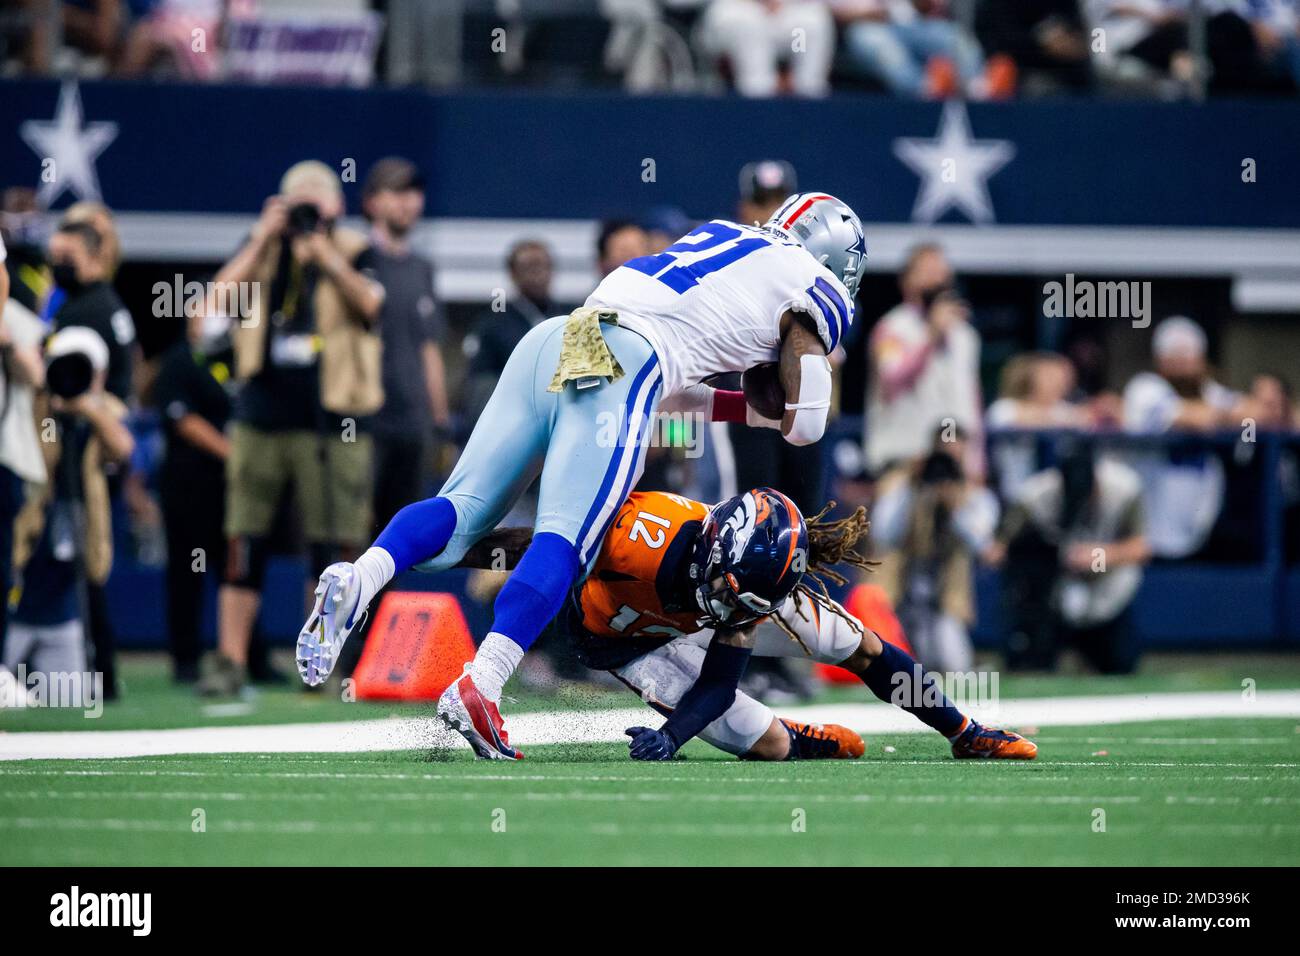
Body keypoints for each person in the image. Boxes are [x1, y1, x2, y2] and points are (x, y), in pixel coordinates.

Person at [297, 191, 867, 761]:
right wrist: (788, 406)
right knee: (567, 539)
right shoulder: (811, 283)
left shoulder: (729, 237)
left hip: (560, 339)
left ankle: (361, 576)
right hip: (626, 361)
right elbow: (808, 426)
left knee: (462, 509)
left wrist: (744, 407)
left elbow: (662, 372)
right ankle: (482, 685)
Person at [461, 487, 1036, 761]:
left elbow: (719, 677)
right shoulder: (637, 539)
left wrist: (672, 734)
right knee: (768, 744)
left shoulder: (747, 587)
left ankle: (966, 731)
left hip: (697, 598)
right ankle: (804, 739)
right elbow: (537, 547)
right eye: (732, 596)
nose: (732, 614)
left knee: (855, 643)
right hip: (624, 638)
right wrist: (452, 549)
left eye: (750, 605)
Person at [202, 160, 384, 696]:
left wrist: (323, 252)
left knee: (333, 543)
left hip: (335, 417)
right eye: (296, 205)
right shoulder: (262, 249)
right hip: (262, 413)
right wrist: (262, 238)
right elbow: (207, 313)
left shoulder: (354, 249)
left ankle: (320, 665)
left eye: (316, 205)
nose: (306, 215)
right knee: (244, 538)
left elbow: (372, 304)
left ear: (337, 208)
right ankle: (230, 662)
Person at [6, 327, 133, 682]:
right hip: (34, 528)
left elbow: (123, 447)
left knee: (72, 692)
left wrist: (84, 406)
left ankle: (101, 673)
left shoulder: (103, 409)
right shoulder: (34, 405)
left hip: (79, 536)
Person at [986, 437, 1150, 673]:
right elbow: (999, 548)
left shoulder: (1124, 488)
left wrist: (1099, 556)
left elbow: (1142, 547)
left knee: (1121, 663)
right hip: (1056, 586)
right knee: (1033, 662)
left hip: (1106, 584)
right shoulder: (1036, 495)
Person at [359, 157, 450, 536]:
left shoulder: (422, 268)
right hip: (364, 425)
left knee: (401, 538)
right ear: (372, 203)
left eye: (414, 193)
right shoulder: (355, 260)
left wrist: (441, 424)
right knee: (355, 536)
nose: (408, 202)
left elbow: (429, 348)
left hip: (413, 427)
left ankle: (382, 601)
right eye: (397, 192)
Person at [871, 425, 999, 673]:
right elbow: (883, 534)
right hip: (900, 600)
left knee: (953, 665)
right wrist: (912, 487)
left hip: (945, 603)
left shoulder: (977, 496)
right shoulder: (904, 486)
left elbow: (983, 546)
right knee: (891, 668)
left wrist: (955, 508)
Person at [1121, 316, 1248, 560]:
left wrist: (1234, 414)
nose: (1183, 365)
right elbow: (1195, 419)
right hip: (1148, 529)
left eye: (1188, 356)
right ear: (1160, 360)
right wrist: (1225, 415)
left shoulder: (1212, 392)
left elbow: (1253, 415)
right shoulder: (1145, 388)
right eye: (1175, 356)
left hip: (1201, 527)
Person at [153, 306, 233, 683]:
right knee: (187, 572)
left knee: (236, 569)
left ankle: (246, 654)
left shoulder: (232, 358)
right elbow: (182, 419)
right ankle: (185, 657)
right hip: (187, 485)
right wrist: (233, 453)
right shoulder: (177, 362)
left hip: (229, 490)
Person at [866, 242, 983, 479]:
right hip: (904, 459)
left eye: (941, 273)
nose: (936, 281)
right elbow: (892, 378)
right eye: (927, 273)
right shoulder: (892, 328)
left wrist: (977, 461)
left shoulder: (964, 335)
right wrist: (931, 335)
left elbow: (970, 400)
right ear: (906, 281)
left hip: (956, 463)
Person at [0, 233, 48, 656]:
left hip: (3, 456)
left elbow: (36, 375)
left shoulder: (13, 319)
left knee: (5, 558)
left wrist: (6, 337)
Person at [462, 238, 563, 431]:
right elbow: (479, 384)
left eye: (543, 265)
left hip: (559, 423)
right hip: (510, 425)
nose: (537, 273)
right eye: (528, 266)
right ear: (513, 273)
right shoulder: (493, 323)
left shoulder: (568, 318)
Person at [835, 0, 1016, 99]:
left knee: (955, 37)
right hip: (864, 27)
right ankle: (926, 88)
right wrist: (865, 14)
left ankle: (979, 88)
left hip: (913, 24)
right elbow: (829, 11)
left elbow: (929, 7)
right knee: (882, 48)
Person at [698, 0, 836, 97]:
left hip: (781, 15)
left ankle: (805, 88)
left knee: (811, 20)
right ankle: (759, 92)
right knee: (749, 23)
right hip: (734, 10)